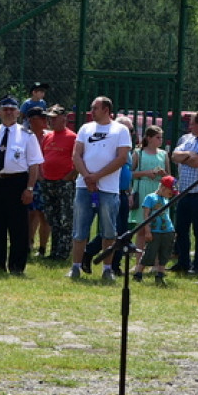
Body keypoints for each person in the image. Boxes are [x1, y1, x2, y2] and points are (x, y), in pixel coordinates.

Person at [0, 96, 43, 274]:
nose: (8, 112)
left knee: (18, 227)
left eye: (12, 109)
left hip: (17, 183)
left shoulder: (27, 136)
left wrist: (29, 188)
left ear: (18, 113)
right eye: (5, 109)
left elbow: (34, 165)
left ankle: (16, 267)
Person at [67, 97, 131, 281]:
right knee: (80, 228)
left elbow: (121, 158)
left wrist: (97, 176)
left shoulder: (120, 130)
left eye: (94, 108)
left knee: (109, 230)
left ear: (106, 109)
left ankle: (107, 269)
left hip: (109, 189)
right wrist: (87, 176)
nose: (91, 111)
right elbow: (76, 154)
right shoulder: (85, 129)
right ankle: (76, 267)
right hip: (83, 186)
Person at [170, 111, 198, 275]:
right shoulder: (187, 139)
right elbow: (174, 155)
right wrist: (190, 155)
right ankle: (183, 262)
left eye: (192, 123)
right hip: (184, 193)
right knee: (181, 229)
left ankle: (197, 265)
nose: (189, 127)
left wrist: (187, 157)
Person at [38, 104, 76, 260]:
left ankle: (64, 252)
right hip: (48, 182)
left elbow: (79, 159)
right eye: (50, 118)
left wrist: (70, 176)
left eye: (54, 118)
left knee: (65, 218)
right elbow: (40, 157)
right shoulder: (47, 137)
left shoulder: (72, 137)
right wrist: (41, 175)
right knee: (52, 218)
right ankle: (54, 251)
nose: (51, 121)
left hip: (64, 183)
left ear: (64, 119)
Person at [132, 174, 177, 285]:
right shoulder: (150, 198)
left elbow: (167, 215)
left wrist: (173, 231)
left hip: (167, 230)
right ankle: (138, 273)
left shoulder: (166, 200)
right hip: (155, 231)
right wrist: (147, 231)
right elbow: (146, 216)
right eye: (170, 192)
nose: (170, 195)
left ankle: (160, 275)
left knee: (164, 254)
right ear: (163, 187)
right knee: (149, 253)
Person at [128, 125, 168, 237]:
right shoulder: (138, 153)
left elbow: (168, 176)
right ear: (149, 138)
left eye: (161, 138)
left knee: (158, 226)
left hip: (158, 190)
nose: (160, 140)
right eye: (157, 137)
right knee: (142, 227)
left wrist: (163, 175)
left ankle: (153, 254)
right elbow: (129, 174)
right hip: (142, 189)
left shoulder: (163, 154)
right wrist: (146, 173)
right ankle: (139, 254)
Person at [24, 107, 50, 256]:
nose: (45, 121)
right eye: (42, 118)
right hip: (28, 179)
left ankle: (42, 248)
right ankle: (28, 243)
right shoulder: (25, 136)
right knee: (30, 214)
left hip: (45, 181)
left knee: (44, 215)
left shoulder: (49, 136)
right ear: (31, 120)